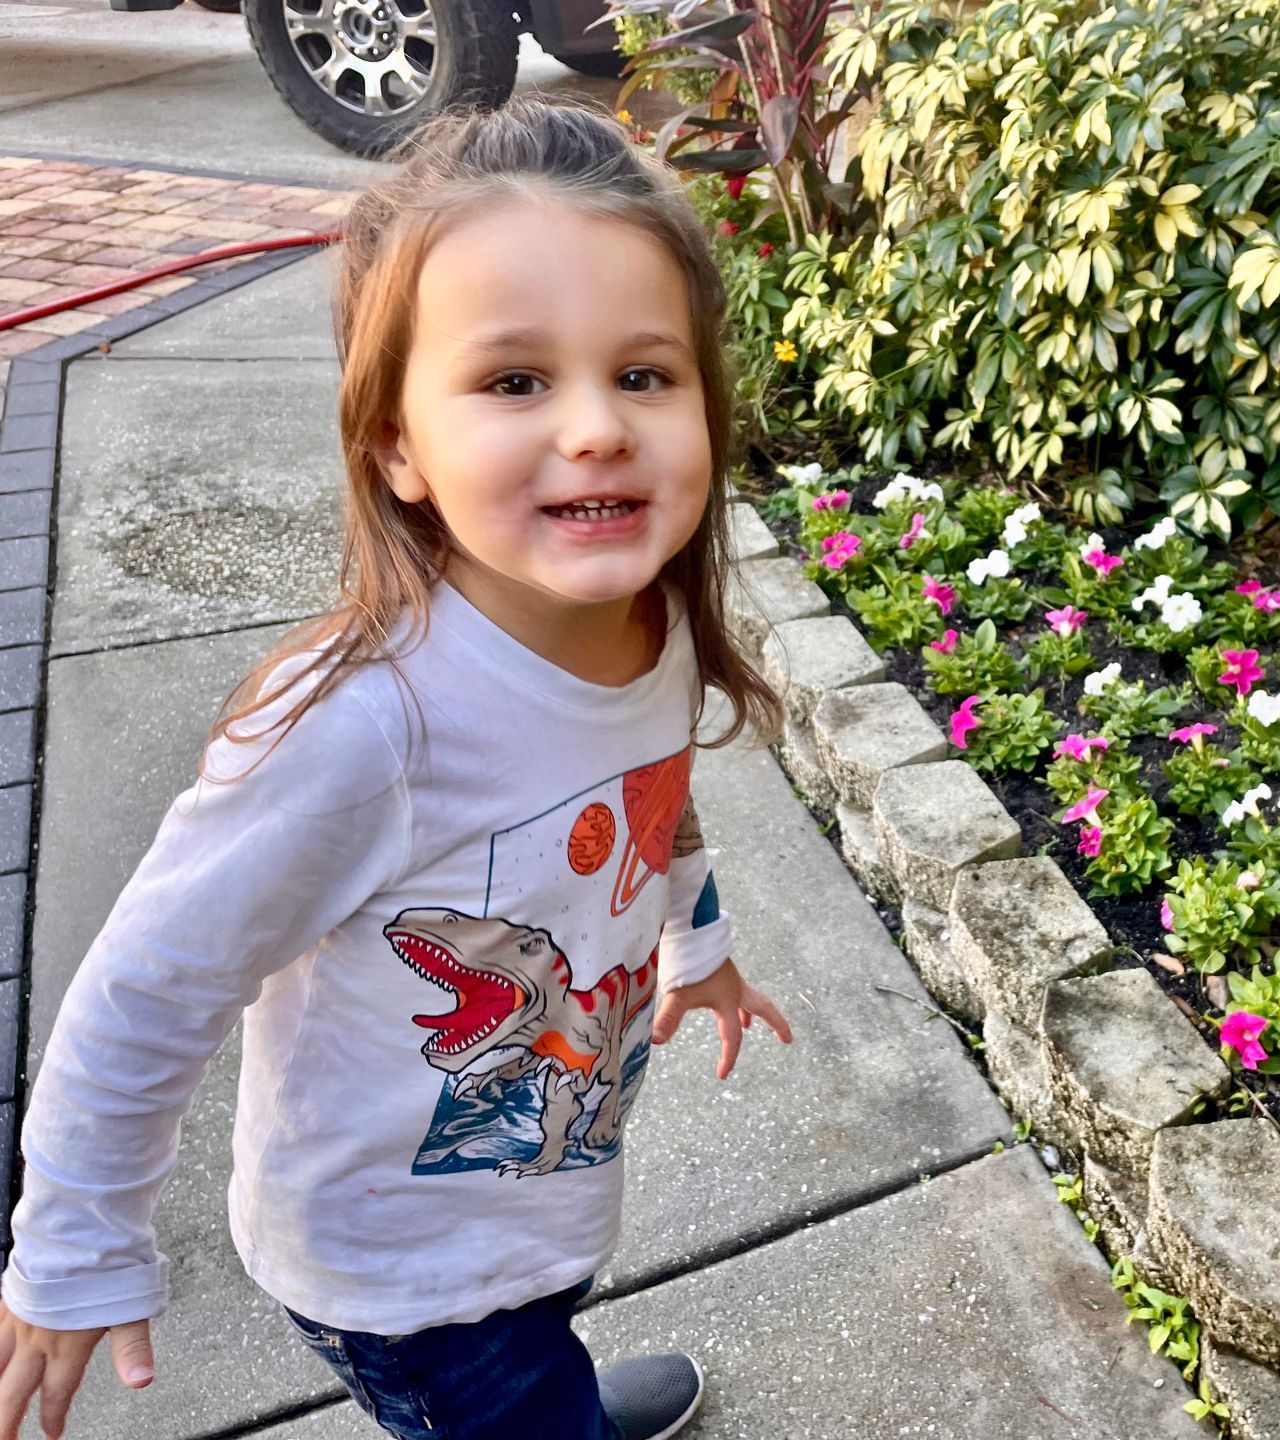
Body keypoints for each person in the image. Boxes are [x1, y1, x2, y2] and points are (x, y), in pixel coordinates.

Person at [0, 94, 794, 1440]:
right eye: (516, 380)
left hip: (535, 1192)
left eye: (645, 374)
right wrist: (75, 1242)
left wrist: (694, 944)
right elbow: (150, 985)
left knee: (537, 1351)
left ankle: (559, 1393)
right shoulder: (364, 728)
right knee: (504, 1395)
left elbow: (652, 802)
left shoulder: (643, 623)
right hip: (403, 1274)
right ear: (396, 445)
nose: (599, 427)